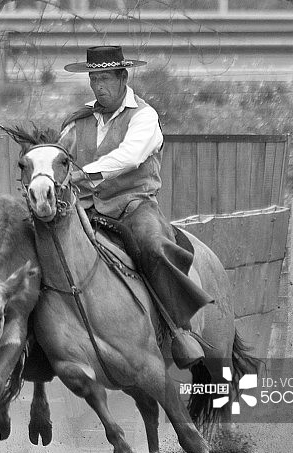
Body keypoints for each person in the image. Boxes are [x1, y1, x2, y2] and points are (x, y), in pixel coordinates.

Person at [59, 46, 214, 370]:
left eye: (105, 78)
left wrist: (83, 173)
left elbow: (130, 156)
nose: (98, 85)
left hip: (133, 204)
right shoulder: (77, 120)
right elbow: (61, 155)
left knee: (153, 246)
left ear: (122, 78)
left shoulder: (144, 116)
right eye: (94, 77)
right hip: (84, 207)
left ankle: (178, 329)